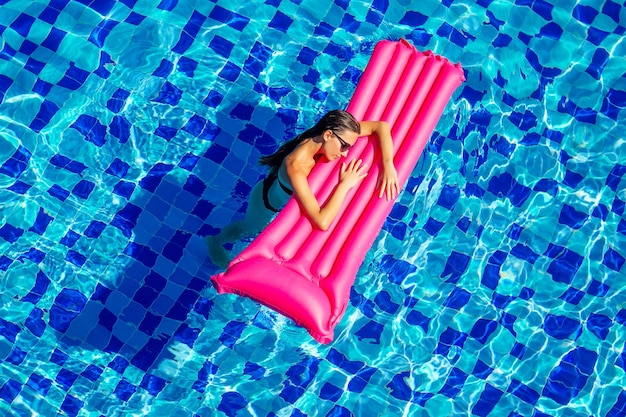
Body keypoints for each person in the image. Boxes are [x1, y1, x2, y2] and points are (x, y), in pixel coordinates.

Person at [206, 109, 399, 268]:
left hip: (274, 188)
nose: (344, 154)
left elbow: (380, 126)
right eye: (344, 147)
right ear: (328, 134)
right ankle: (215, 241)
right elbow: (322, 221)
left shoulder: (332, 136)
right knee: (249, 228)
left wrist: (388, 165)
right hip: (265, 204)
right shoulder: (295, 166)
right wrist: (344, 185)